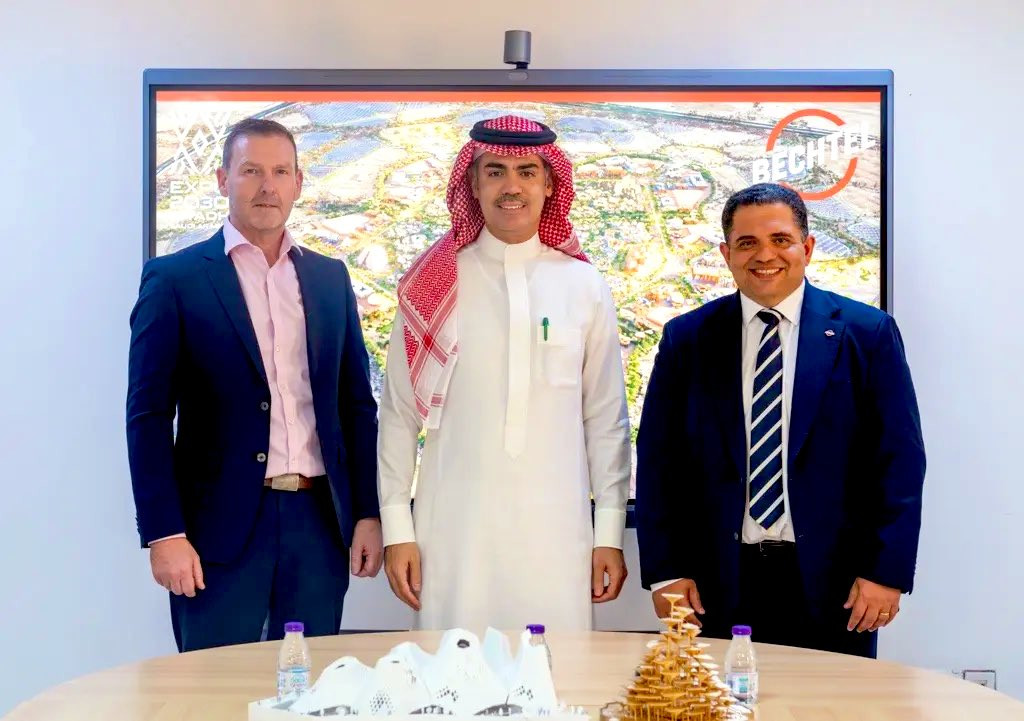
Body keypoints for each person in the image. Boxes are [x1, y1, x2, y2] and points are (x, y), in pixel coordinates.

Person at [635, 182, 925, 657]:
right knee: (724, 698)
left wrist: (885, 572)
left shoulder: (867, 333)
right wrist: (666, 572)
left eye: (780, 240)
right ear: (727, 254)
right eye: (747, 243)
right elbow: (659, 463)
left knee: (833, 700)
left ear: (806, 249)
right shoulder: (687, 339)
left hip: (839, 587)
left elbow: (899, 462)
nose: (764, 255)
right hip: (715, 585)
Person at [127, 117, 382, 651]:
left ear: (298, 183)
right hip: (216, 533)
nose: (268, 186)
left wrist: (367, 513)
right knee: (214, 685)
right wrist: (164, 533)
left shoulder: (329, 278)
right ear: (223, 180)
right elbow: (148, 417)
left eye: (281, 172)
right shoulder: (174, 279)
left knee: (310, 682)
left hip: (317, 524)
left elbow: (356, 406)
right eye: (251, 171)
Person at [377, 115, 630, 630]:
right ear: (473, 184)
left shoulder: (583, 285)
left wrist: (608, 534)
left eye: (527, 172)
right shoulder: (434, 284)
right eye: (495, 171)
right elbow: (399, 416)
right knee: (450, 671)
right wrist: (397, 529)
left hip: (558, 538)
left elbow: (606, 419)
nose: (511, 186)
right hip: (453, 535)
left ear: (550, 184)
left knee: (559, 670)